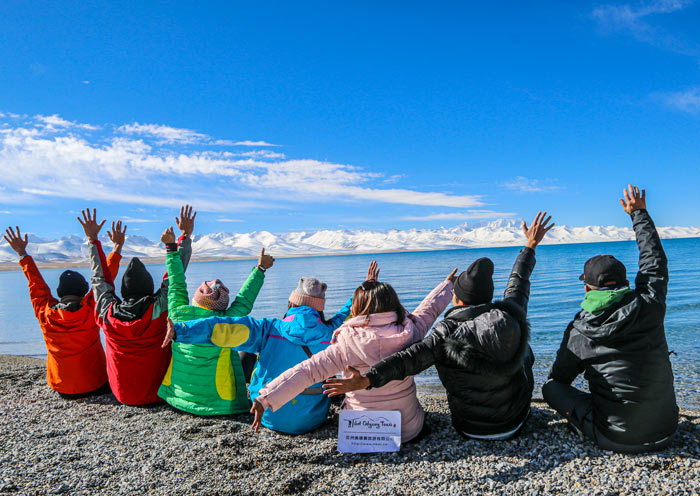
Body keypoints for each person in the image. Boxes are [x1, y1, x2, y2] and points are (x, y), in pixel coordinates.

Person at [324, 212, 554, 441]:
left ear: (458, 300)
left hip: (468, 427)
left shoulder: (444, 334)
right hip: (515, 422)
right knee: (524, 350)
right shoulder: (510, 316)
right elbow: (518, 284)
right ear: (489, 298)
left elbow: (408, 360)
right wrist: (530, 244)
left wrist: (367, 380)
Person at [246, 261, 456, 443]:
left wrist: (267, 398)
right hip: (409, 429)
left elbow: (306, 372)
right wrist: (447, 287)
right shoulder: (409, 332)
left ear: (358, 307)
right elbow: (428, 311)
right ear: (393, 304)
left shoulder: (346, 343)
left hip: (359, 431)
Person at [542, 185, 678, 453]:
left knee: (550, 389)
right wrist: (638, 213)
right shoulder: (650, 305)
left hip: (615, 438)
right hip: (667, 430)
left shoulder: (579, 329)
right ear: (628, 283)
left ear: (586, 288)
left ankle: (585, 423)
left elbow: (560, 378)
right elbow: (654, 263)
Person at [166, 274, 355, 435]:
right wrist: (362, 291)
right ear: (320, 308)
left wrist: (180, 331)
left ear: (291, 303)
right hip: (312, 418)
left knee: (249, 354)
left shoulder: (269, 328)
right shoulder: (332, 332)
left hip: (267, 414)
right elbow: (347, 314)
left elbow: (224, 328)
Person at [158, 219, 275, 416]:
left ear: (196, 299)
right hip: (219, 403)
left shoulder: (178, 315)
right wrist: (260, 269)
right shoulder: (225, 323)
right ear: (223, 307)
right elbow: (244, 302)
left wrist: (171, 248)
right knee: (248, 352)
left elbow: (176, 283)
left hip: (178, 397)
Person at [81, 206, 193, 406]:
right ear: (149, 288)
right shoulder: (158, 308)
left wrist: (94, 241)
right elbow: (175, 278)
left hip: (122, 395)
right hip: (160, 393)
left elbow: (99, 280)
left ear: (123, 293)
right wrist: (183, 238)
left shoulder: (107, 313)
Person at [3, 222, 125, 398]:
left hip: (61, 387)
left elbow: (35, 284)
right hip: (96, 383)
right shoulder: (92, 308)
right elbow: (105, 278)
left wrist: (22, 254)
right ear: (84, 291)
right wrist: (115, 247)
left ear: (60, 293)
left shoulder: (45, 313)